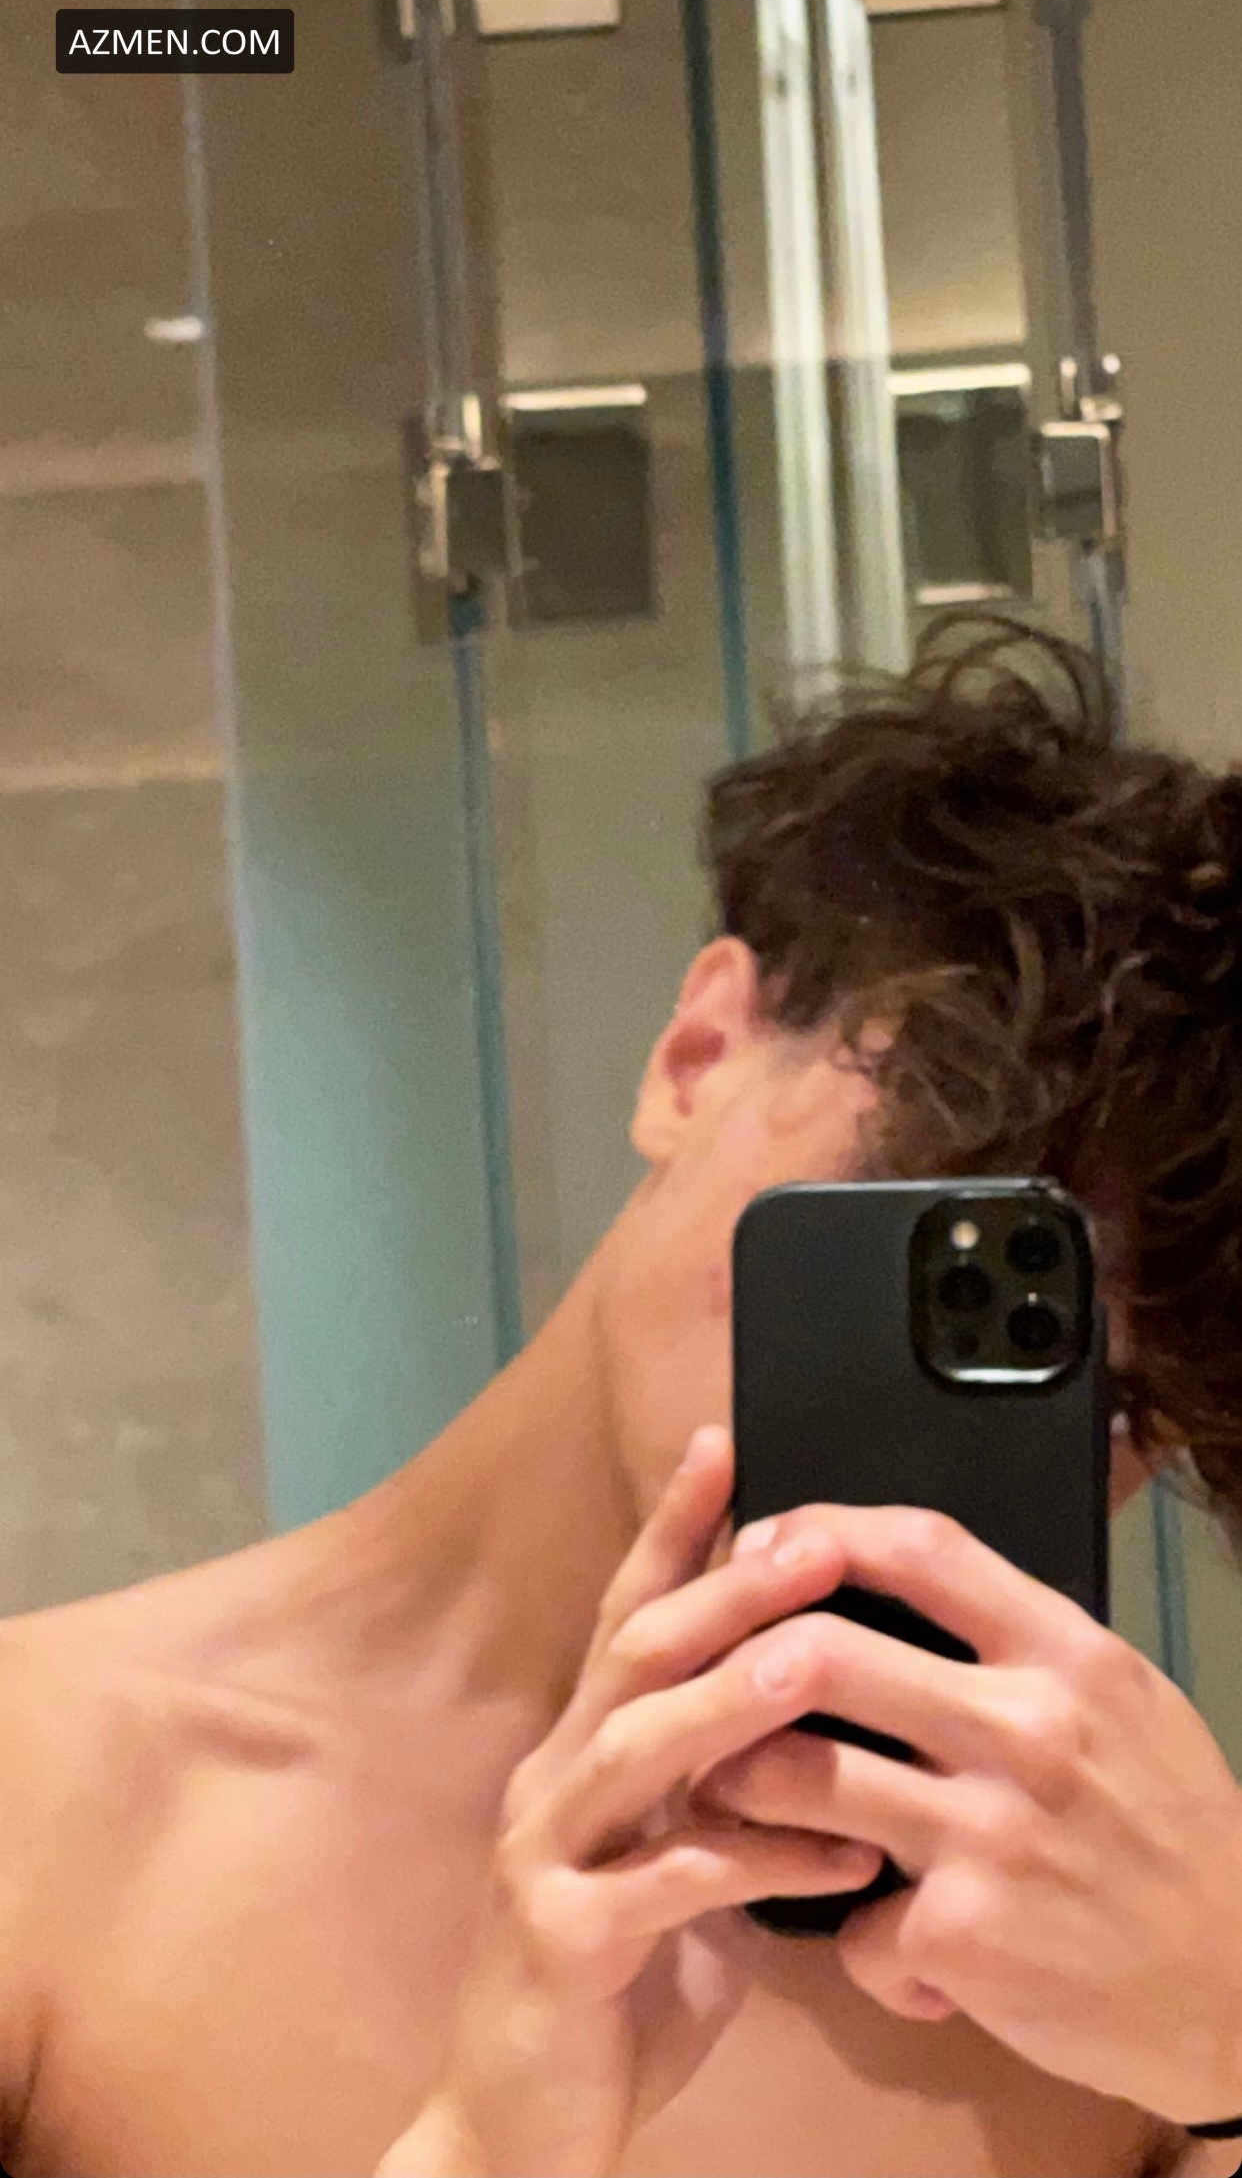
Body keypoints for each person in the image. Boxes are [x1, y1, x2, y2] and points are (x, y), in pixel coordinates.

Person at [3, 618, 1242, 2178]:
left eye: (1102, 1395)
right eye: (913, 1221)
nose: (940, 1401)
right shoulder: (42, 1804)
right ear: (697, 1053)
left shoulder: (1108, 1945)